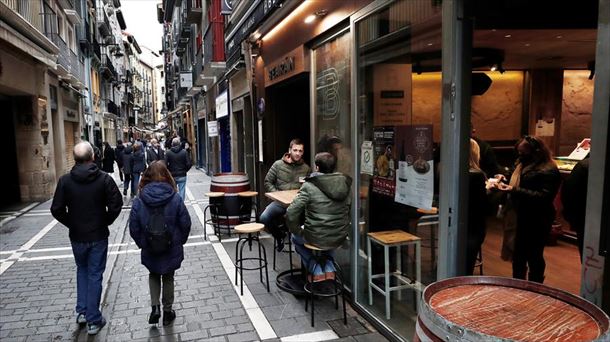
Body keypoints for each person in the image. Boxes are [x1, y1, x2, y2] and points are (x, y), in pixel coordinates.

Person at [50, 142, 123, 335]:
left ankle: (82, 312)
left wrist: (72, 223)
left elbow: (56, 209)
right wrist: (105, 220)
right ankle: (93, 319)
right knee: (94, 274)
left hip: (77, 236)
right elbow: (116, 204)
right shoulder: (104, 179)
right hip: (98, 235)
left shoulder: (65, 181)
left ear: (75, 159)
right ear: (93, 157)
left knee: (82, 271)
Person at [129, 161, 191, 326]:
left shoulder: (139, 199)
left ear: (147, 176)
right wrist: (180, 241)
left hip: (150, 245)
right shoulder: (175, 197)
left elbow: (133, 227)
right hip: (171, 245)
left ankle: (155, 307)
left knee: (153, 274)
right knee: (168, 276)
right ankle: (168, 311)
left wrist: (142, 243)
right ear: (167, 176)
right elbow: (186, 223)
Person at [492, 135, 560, 283]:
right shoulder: (522, 163)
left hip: (537, 218)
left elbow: (544, 197)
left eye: (523, 152)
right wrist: (503, 178)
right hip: (519, 215)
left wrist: (514, 190)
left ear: (536, 151)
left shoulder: (549, 169)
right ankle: (519, 285)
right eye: (519, 152)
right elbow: (514, 176)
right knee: (518, 254)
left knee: (534, 255)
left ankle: (535, 287)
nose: (520, 155)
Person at [285, 152, 351, 282]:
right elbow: (349, 209)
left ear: (317, 168)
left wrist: (298, 231)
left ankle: (316, 269)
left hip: (316, 236)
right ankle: (329, 267)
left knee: (295, 238)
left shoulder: (309, 186)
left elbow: (291, 213)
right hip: (340, 235)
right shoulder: (344, 184)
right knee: (328, 239)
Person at [261, 138, 311, 251]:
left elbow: (309, 186)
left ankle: (302, 246)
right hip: (280, 203)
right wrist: (278, 194)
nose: (298, 153)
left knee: (306, 218)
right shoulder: (278, 165)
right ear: (289, 150)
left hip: (298, 204)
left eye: (300, 151)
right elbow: (267, 181)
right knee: (264, 218)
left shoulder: (306, 168)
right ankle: (279, 236)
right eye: (295, 150)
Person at [466, 139, 489, 275]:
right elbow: (483, 203)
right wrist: (492, 190)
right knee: (468, 262)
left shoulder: (446, 169)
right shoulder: (477, 175)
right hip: (474, 224)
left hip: (459, 221)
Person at [561, 157, 589, 260]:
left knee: (588, 257)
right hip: (587, 217)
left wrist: (571, 217)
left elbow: (569, 192)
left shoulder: (584, 165)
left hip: (584, 218)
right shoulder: (585, 165)